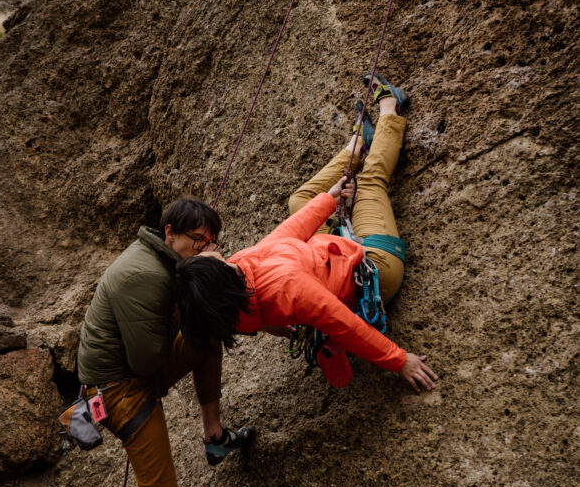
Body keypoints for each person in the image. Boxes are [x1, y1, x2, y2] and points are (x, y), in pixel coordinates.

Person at [173, 72, 438, 392]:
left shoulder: (232, 303)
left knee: (299, 200)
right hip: (377, 268)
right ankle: (389, 109)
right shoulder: (291, 288)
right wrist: (400, 360)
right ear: (222, 275)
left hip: (329, 255)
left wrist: (332, 197)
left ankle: (357, 145)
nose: (213, 249)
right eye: (211, 257)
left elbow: (289, 231)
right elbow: (346, 325)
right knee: (370, 181)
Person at [77, 197, 254, 487]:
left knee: (207, 333)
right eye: (197, 241)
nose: (203, 248)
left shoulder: (167, 262)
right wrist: (186, 305)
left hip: (134, 374)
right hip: (119, 390)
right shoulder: (144, 276)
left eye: (209, 243)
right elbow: (147, 361)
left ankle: (213, 435)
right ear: (170, 231)